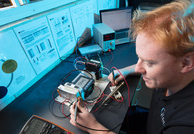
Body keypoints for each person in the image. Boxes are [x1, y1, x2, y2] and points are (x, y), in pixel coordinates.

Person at [69, 0, 194, 133]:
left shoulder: (185, 126)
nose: (139, 69)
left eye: (150, 63)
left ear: (186, 63)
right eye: (139, 58)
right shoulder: (173, 76)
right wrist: (126, 70)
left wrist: (94, 128)